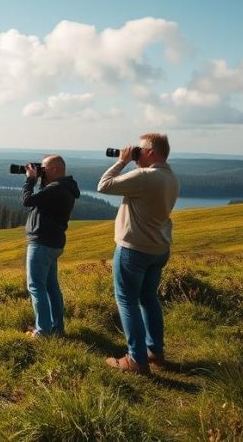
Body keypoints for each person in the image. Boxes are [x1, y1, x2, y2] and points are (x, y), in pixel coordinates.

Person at [98, 133, 179, 374]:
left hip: (134, 249)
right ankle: (155, 351)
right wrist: (134, 160)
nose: (135, 153)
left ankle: (136, 360)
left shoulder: (145, 176)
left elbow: (104, 185)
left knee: (127, 301)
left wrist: (122, 161)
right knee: (148, 299)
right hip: (159, 248)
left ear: (151, 152)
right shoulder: (170, 177)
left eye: (139, 150)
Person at [21, 155, 80, 337]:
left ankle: (42, 332)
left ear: (55, 170)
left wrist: (30, 180)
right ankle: (56, 328)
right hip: (53, 243)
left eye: (44, 169)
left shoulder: (56, 189)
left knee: (36, 287)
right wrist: (40, 180)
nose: (41, 171)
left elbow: (28, 200)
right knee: (51, 287)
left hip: (41, 244)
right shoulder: (63, 187)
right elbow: (41, 200)